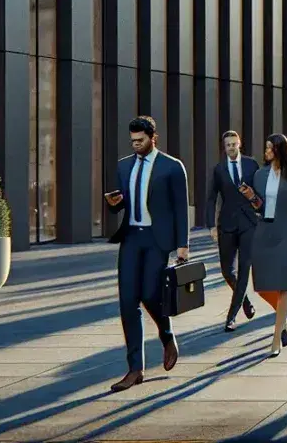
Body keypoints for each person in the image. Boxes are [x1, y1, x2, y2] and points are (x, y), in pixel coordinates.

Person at [105, 116, 190, 392]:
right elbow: (123, 205)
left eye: (140, 141)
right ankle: (135, 369)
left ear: (153, 138)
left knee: (150, 293)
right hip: (131, 237)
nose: (135, 145)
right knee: (128, 300)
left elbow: (180, 207)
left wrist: (183, 245)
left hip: (157, 240)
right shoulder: (123, 166)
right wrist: (114, 204)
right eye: (132, 141)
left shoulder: (172, 167)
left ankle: (166, 335)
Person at [248, 133, 287, 357]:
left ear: (279, 149)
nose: (266, 151)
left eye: (269, 148)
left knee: (283, 285)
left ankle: (276, 339)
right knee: (263, 285)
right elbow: (258, 206)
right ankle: (284, 321)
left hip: (285, 233)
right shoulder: (259, 174)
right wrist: (250, 197)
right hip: (263, 231)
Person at [207, 130, 260, 331]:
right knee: (227, 271)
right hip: (227, 224)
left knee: (244, 269)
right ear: (224, 147)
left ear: (239, 144)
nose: (231, 148)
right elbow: (211, 198)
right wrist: (211, 225)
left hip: (249, 224)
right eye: (227, 145)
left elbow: (259, 193)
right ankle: (245, 301)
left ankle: (231, 316)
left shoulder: (251, 164)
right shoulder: (219, 169)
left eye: (234, 144)